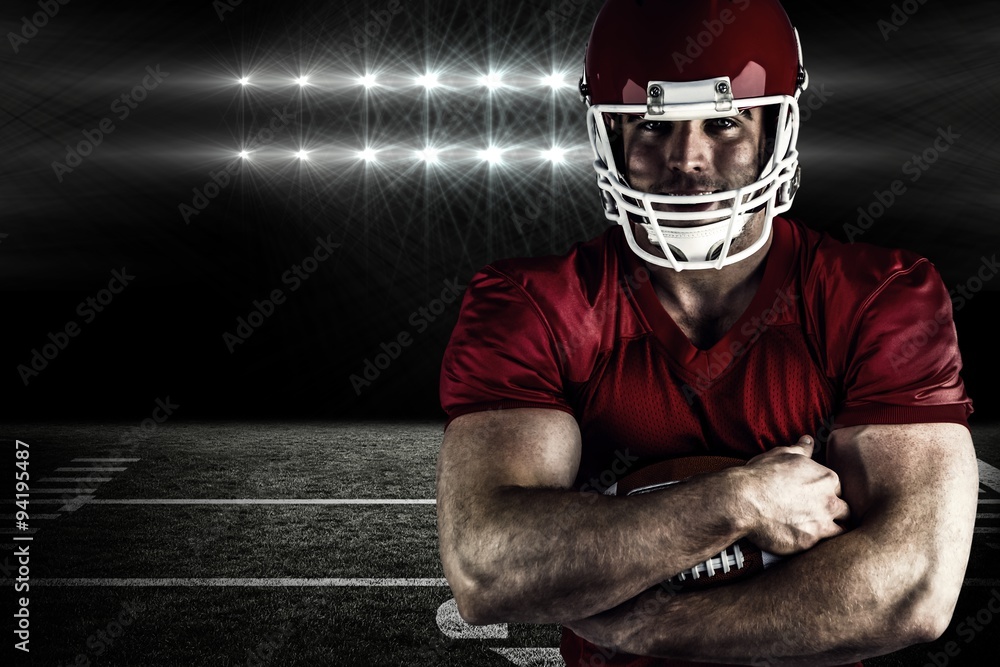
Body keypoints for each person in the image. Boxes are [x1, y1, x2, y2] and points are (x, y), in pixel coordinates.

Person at [435, 1, 979, 665]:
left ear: (780, 128)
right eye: (650, 126)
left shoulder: (880, 297)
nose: (686, 158)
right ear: (606, 138)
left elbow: (914, 589)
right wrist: (739, 499)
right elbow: (489, 570)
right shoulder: (533, 303)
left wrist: (651, 628)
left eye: (723, 121)